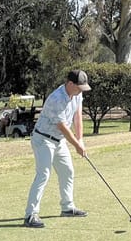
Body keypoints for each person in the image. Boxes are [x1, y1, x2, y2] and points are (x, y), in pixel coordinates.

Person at [23, 69, 91, 228]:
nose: (81, 91)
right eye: (79, 87)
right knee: (43, 174)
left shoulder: (77, 93)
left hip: (59, 141)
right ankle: (30, 215)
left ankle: (67, 207)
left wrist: (80, 139)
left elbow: (77, 116)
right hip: (43, 139)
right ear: (70, 83)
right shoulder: (56, 99)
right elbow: (62, 127)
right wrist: (76, 145)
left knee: (68, 171)